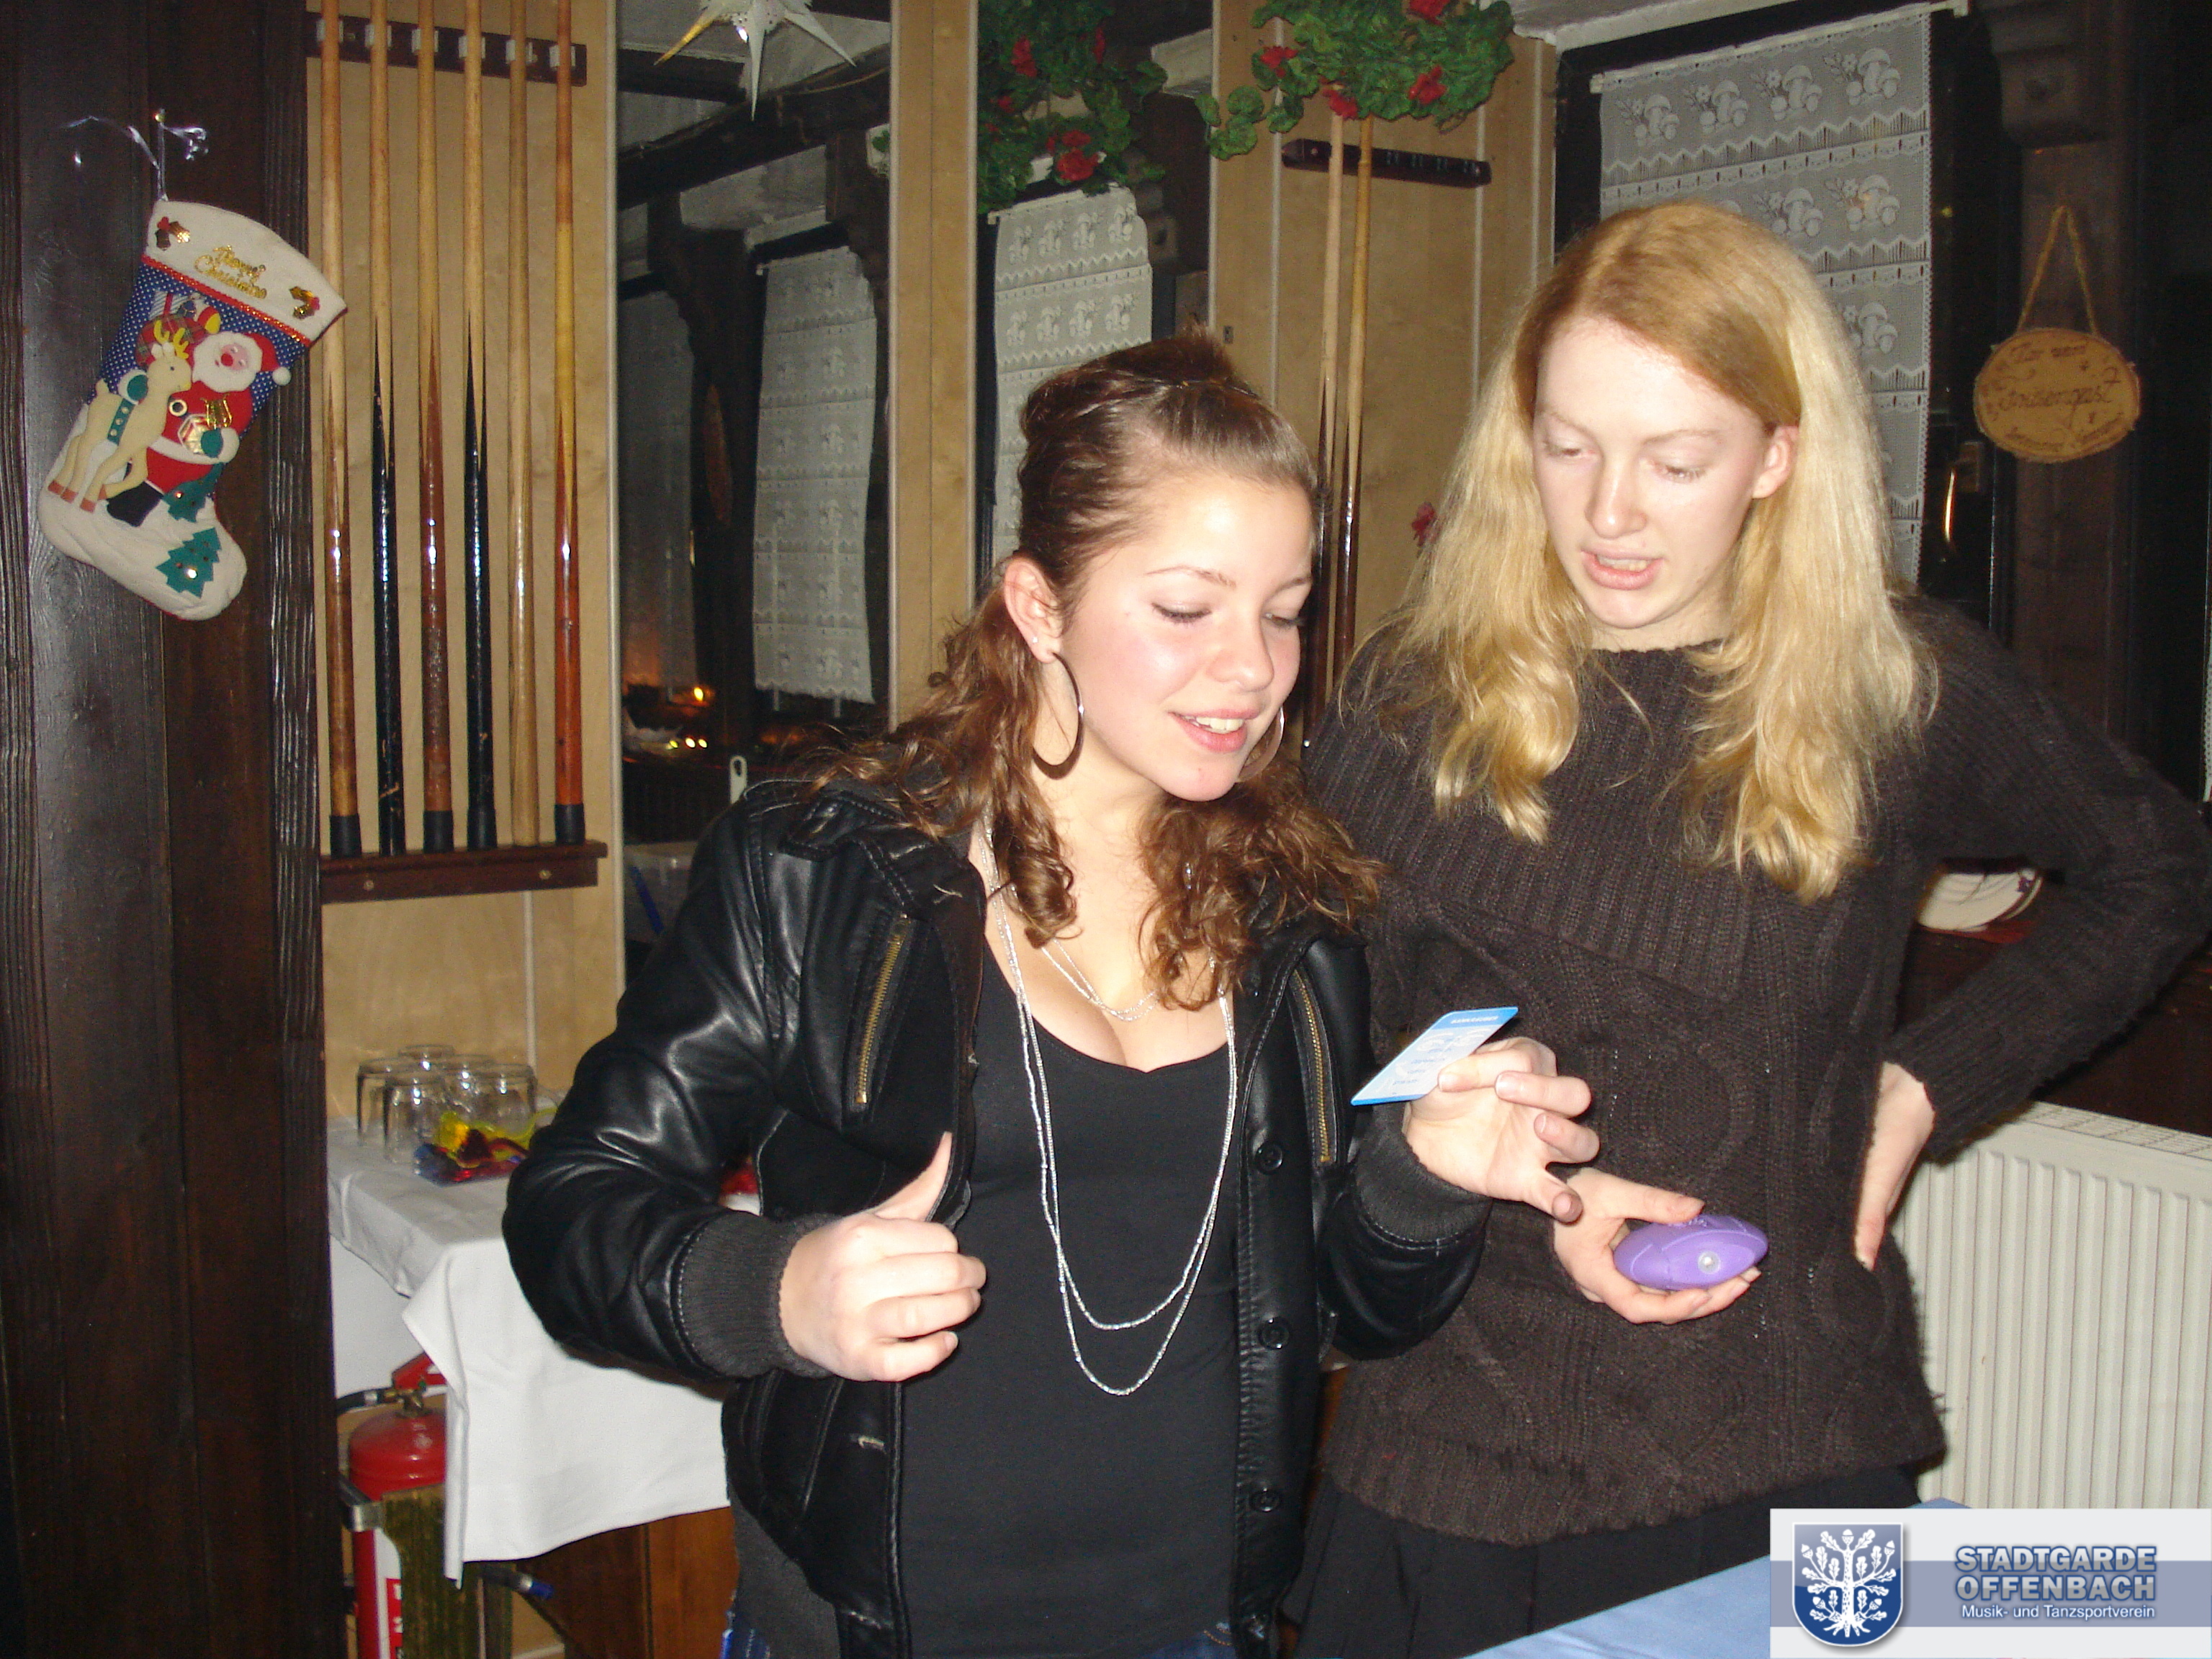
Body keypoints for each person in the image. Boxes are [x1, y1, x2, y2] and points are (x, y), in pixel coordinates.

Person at [505, 336, 1601, 1659]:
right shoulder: (828, 869)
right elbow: (573, 1206)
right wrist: (777, 1292)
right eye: (1187, 609)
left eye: (1284, 610)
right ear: (1038, 606)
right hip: (878, 1633)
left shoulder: (1294, 909)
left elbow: (1340, 1310)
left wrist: (1423, 1177)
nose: (1253, 669)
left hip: (1198, 1630)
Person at [1287, 199, 2212, 1656]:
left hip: (1782, 1443)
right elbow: (1326, 1067)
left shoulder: (1891, 691)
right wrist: (1525, 1191)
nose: (1610, 513)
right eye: (1568, 446)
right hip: (1453, 1449)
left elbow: (2157, 864)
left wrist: (1923, 1087)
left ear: (1778, 455)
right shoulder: (1408, 704)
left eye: (1676, 462)